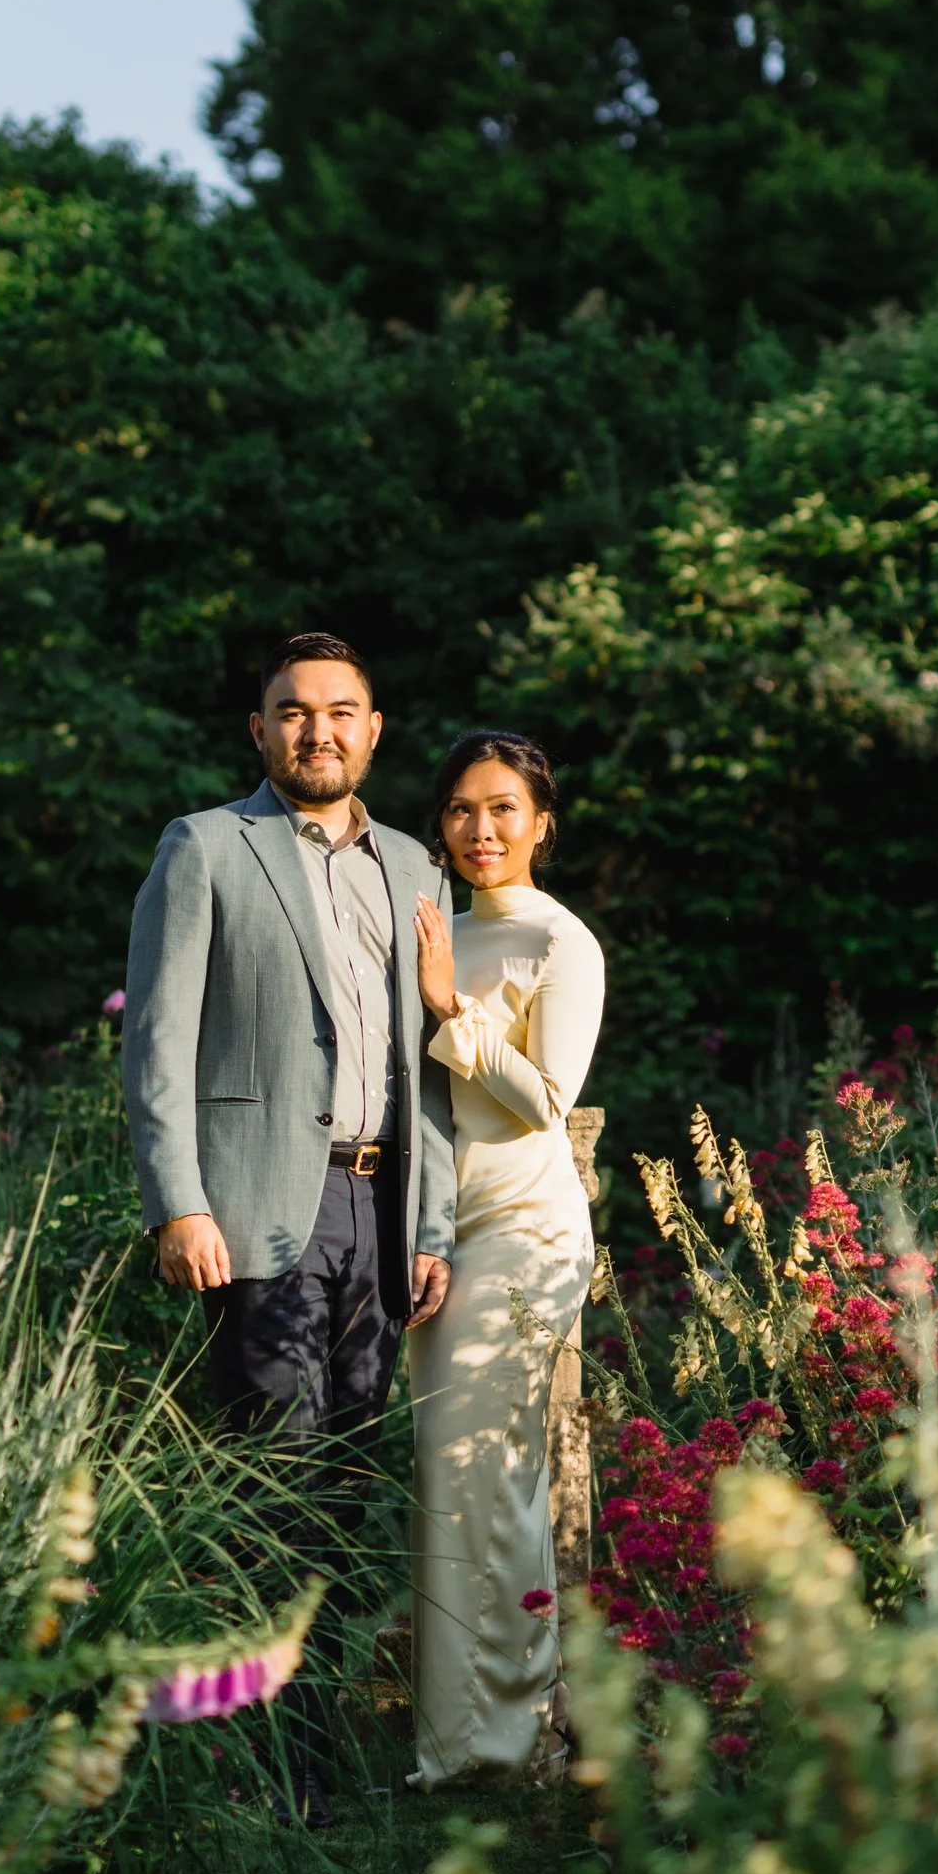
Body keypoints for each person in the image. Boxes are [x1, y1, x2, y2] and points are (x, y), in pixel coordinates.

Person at [121, 632, 456, 1821]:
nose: (319, 729)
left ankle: (296, 1742)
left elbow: (433, 1065)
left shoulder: (416, 866)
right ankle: (283, 1774)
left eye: (341, 711)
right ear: (258, 732)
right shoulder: (209, 846)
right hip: (262, 1203)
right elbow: (155, 1041)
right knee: (272, 1478)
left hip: (381, 1206)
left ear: (373, 729)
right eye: (293, 711)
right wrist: (180, 1202)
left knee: (350, 1484)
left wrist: (433, 1223)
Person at [408, 728, 605, 1787]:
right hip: (442, 1229)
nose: (481, 830)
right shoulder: (438, 926)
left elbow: (545, 1102)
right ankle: (459, 1743)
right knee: (451, 1481)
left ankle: (506, 1744)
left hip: (523, 1229)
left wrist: (451, 1009)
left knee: (486, 1475)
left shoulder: (557, 942)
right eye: (460, 809)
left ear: (541, 823)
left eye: (502, 808)